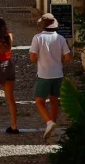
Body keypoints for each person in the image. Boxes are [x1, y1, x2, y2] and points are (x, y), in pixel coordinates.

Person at [29, 12, 72, 141]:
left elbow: (32, 57)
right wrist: (58, 60)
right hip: (58, 73)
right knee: (54, 101)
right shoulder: (60, 38)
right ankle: (52, 126)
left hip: (44, 74)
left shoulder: (38, 38)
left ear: (42, 26)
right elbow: (68, 57)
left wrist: (40, 59)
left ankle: (49, 122)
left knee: (39, 101)